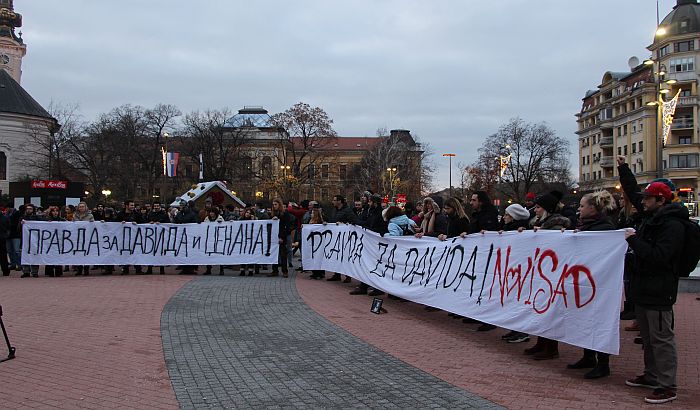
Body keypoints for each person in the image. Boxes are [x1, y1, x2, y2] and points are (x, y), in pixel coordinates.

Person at [619, 161, 684, 404]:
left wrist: (634, 242)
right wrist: (624, 171)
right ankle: (651, 374)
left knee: (661, 339)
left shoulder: (672, 226)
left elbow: (659, 257)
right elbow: (633, 192)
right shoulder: (653, 218)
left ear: (661, 201)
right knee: (648, 338)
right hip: (644, 289)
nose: (643, 202)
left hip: (659, 291)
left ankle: (667, 385)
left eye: (648, 199)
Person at [565, 191, 616, 379]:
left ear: (592, 208)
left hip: (600, 285)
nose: (579, 209)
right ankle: (588, 356)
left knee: (599, 322)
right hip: (586, 283)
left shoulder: (604, 229)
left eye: (582, 206)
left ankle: (603, 363)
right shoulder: (586, 226)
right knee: (585, 320)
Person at [523, 193, 571, 360]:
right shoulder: (540, 224)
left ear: (547, 209)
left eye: (538, 207)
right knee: (540, 309)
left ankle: (551, 347)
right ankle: (541, 342)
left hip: (551, 273)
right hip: (540, 272)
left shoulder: (556, 227)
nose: (535, 210)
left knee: (550, 310)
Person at [497, 203, 532, 343]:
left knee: (519, 300)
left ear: (513, 217)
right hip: (510, 270)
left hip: (520, 271)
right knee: (512, 300)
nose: (504, 217)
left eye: (506, 215)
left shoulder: (522, 231)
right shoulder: (508, 229)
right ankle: (514, 329)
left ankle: (522, 332)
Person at [349, 194, 387, 295]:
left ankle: (378, 288)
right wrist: (357, 222)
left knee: (375, 265)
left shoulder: (380, 213)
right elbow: (367, 222)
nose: (368, 203)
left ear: (374, 202)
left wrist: (368, 228)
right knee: (366, 263)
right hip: (370, 241)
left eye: (370, 201)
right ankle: (364, 285)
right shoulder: (371, 211)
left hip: (377, 242)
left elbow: (376, 226)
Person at [328, 194, 357, 283]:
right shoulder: (335, 210)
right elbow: (333, 220)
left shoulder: (347, 210)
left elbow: (353, 221)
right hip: (336, 237)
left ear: (339, 201)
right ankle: (337, 274)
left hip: (345, 237)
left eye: (334, 200)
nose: (333, 202)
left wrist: (344, 224)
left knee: (345, 256)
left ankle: (348, 276)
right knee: (336, 255)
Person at [116, 200, 142, 275]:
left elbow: (142, 222)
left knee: (136, 252)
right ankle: (125, 268)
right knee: (125, 252)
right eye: (131, 205)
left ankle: (138, 268)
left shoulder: (137, 214)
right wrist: (120, 223)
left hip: (135, 237)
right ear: (127, 206)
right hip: (124, 237)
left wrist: (137, 223)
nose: (133, 207)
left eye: (133, 205)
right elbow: (115, 222)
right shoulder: (120, 214)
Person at [269, 198, 292, 278]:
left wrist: (282, 237)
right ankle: (274, 270)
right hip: (274, 237)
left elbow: (287, 227)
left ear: (279, 205)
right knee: (274, 254)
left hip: (282, 236)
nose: (274, 206)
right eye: (273, 204)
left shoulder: (285, 214)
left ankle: (285, 271)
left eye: (276, 204)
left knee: (283, 254)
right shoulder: (272, 214)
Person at [145, 202, 170, 275]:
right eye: (155, 206)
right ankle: (149, 269)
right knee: (151, 252)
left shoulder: (164, 214)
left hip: (161, 236)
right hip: (151, 236)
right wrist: (150, 222)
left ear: (160, 206)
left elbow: (168, 222)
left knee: (160, 252)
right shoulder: (150, 214)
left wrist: (161, 223)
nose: (156, 207)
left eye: (157, 206)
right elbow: (146, 221)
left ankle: (162, 269)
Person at [72, 201, 95, 276]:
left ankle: (86, 269)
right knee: (79, 253)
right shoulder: (75, 215)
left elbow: (93, 225)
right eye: (80, 206)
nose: (81, 208)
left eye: (83, 206)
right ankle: (79, 269)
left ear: (86, 207)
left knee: (86, 252)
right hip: (78, 236)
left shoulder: (90, 215)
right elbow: (72, 224)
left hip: (87, 236)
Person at [20, 203, 42, 278]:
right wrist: (21, 224)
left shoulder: (37, 218)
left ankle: (34, 271)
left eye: (30, 209)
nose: (29, 210)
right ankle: (26, 271)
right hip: (25, 240)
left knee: (35, 254)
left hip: (34, 240)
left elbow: (43, 224)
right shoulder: (22, 218)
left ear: (33, 210)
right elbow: (18, 229)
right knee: (25, 254)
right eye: (27, 209)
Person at [307, 204, 327, 279]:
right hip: (312, 241)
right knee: (313, 256)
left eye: (312, 213)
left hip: (318, 242)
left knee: (318, 257)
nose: (311, 214)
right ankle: (314, 272)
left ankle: (320, 273)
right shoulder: (310, 220)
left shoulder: (320, 221)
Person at [238, 208, 260, 276]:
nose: (248, 214)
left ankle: (250, 270)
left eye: (249, 213)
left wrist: (253, 220)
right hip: (243, 240)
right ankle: (242, 270)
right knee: (243, 255)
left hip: (251, 240)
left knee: (251, 254)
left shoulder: (255, 220)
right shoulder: (241, 219)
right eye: (247, 212)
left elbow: (257, 228)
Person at [204, 208, 225, 276]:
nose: (211, 214)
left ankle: (221, 270)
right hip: (209, 239)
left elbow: (224, 227)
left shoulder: (220, 218)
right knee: (208, 254)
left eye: (212, 212)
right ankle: (208, 269)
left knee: (220, 255)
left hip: (218, 239)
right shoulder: (207, 219)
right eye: (210, 212)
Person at [6, 204, 22, 272]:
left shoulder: (17, 214)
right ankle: (13, 264)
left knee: (16, 251)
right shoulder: (8, 214)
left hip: (15, 235)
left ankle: (19, 264)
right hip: (9, 235)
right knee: (10, 251)